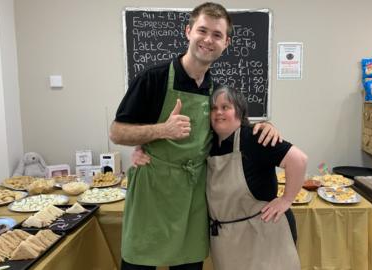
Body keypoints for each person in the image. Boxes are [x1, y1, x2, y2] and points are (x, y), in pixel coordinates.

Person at [109, 3, 281, 270]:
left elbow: (234, 129)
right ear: (188, 31)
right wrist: (161, 131)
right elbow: (117, 132)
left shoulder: (215, 91)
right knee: (139, 263)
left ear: (226, 43)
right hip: (152, 194)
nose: (208, 40)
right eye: (202, 30)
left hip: (193, 196)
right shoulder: (152, 79)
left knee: (189, 265)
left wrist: (267, 126)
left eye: (217, 35)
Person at [206, 86, 307, 270]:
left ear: (239, 110)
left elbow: (298, 160)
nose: (218, 112)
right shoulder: (209, 144)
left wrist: (286, 200)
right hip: (226, 240)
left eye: (225, 107)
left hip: (263, 235)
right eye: (214, 108)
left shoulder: (255, 137)